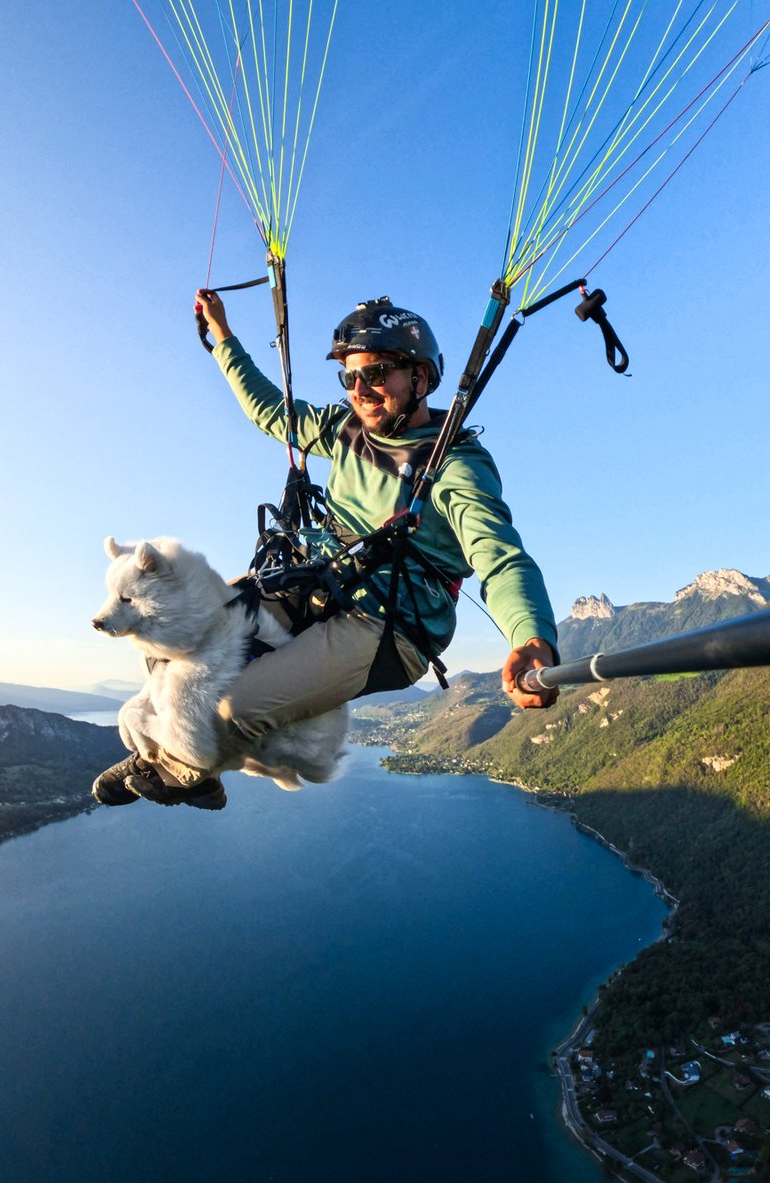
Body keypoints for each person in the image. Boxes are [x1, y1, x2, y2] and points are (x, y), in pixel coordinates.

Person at [93, 292, 558, 809]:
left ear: (421, 378)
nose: (361, 390)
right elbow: (271, 411)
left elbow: (500, 554)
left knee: (232, 708)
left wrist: (531, 635)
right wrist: (223, 338)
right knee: (173, 630)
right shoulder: (344, 431)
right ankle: (174, 752)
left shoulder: (454, 467)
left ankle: (182, 768)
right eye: (350, 378)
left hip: (389, 624)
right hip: (318, 580)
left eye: (378, 374)